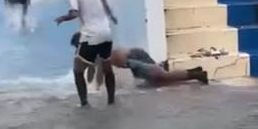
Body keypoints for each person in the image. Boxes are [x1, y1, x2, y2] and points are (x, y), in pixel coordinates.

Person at [55, 0, 116, 106]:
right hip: (106, 32)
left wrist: (63, 18)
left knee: (77, 70)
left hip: (91, 36)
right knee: (107, 67)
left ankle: (84, 103)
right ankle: (111, 101)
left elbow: (75, 12)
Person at [71, 32, 208, 88]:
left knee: (160, 78)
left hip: (132, 60)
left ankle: (197, 75)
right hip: (134, 55)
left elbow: (102, 70)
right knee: (156, 81)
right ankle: (194, 71)